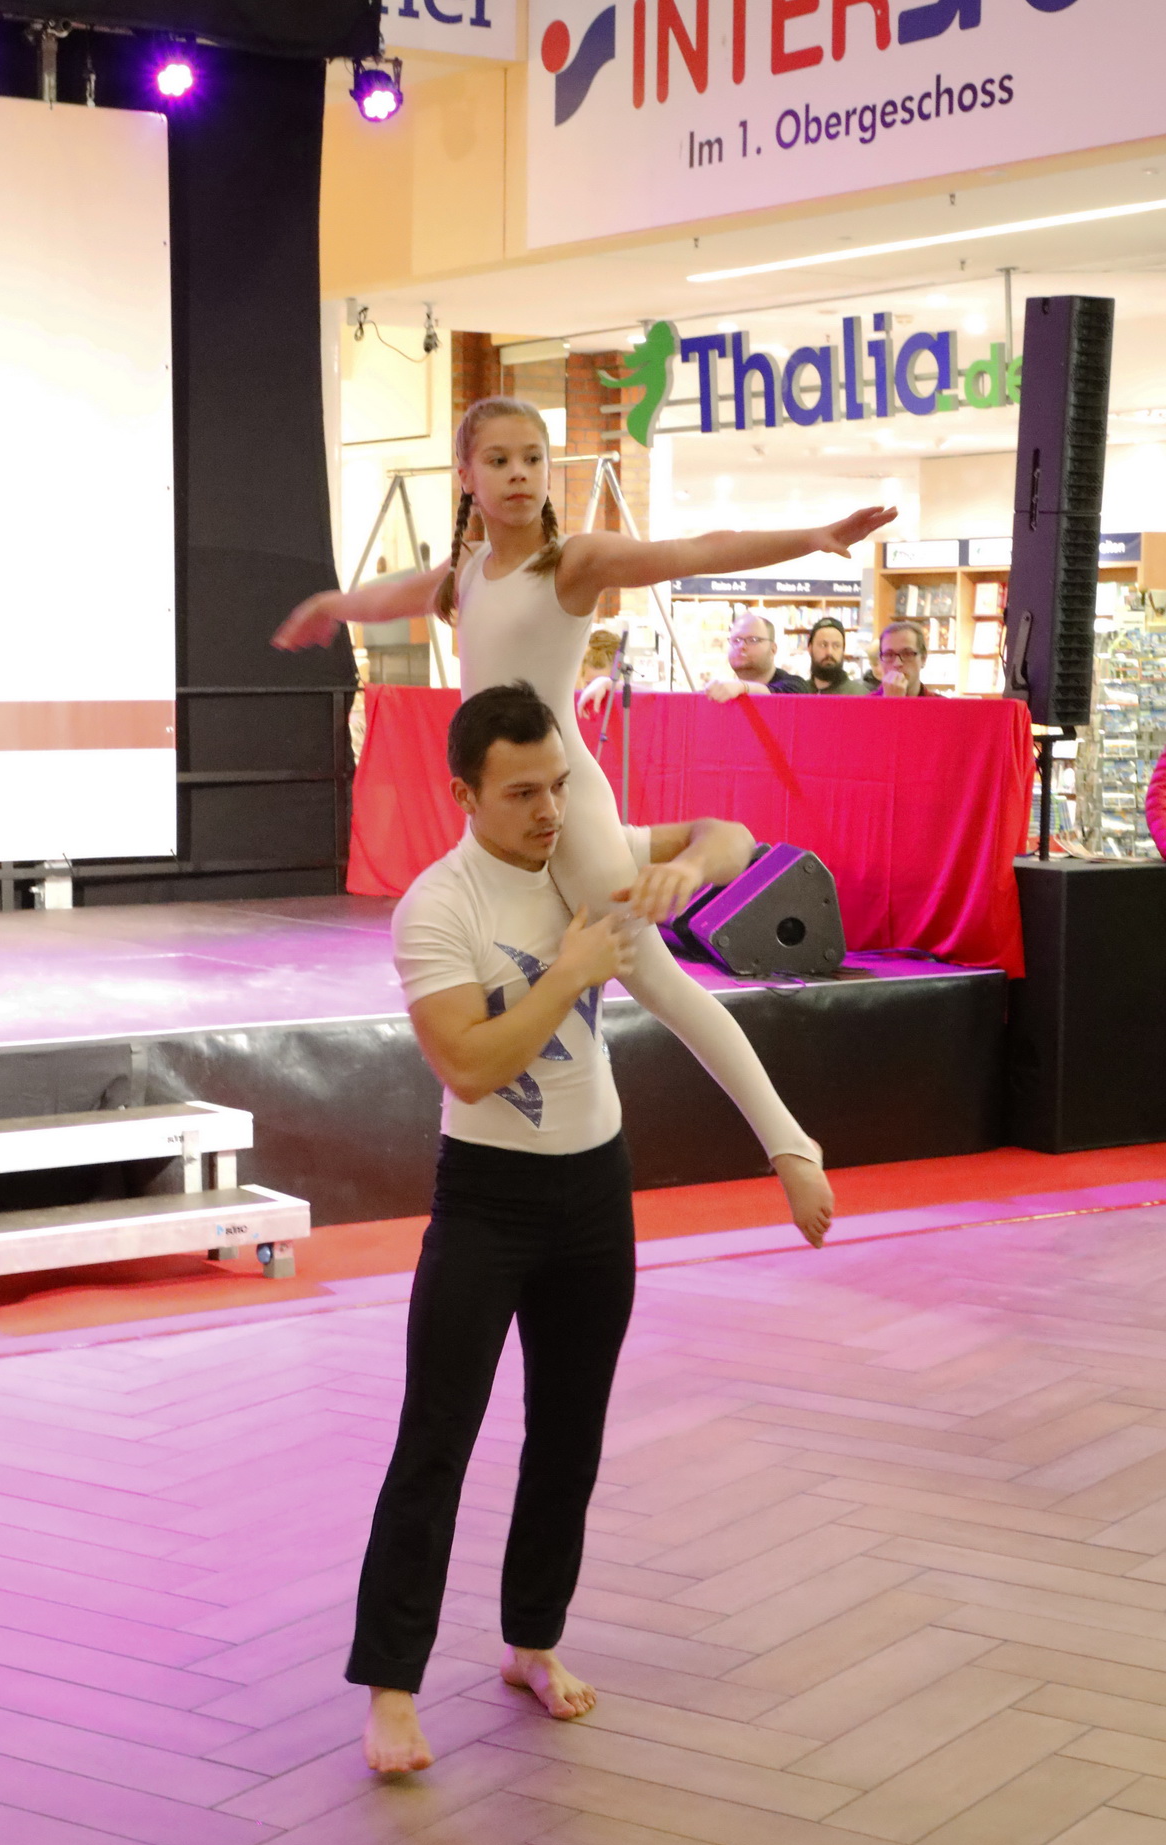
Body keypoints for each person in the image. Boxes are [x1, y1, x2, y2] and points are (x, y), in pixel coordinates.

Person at [274, 396, 895, 1241]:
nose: (519, 474)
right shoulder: (467, 571)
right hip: (498, 801)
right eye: (499, 460)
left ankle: (789, 1142)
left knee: (655, 979)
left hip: (564, 797)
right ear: (465, 475)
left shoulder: (573, 562)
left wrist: (812, 537)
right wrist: (333, 606)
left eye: (533, 458)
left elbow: (694, 549)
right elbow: (399, 593)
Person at [347, 682, 812, 1774]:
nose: (549, 811)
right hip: (487, 1201)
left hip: (595, 1193)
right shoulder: (437, 907)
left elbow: (731, 835)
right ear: (463, 795)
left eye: (558, 784)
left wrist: (688, 868)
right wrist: (566, 974)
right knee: (436, 1440)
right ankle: (391, 1690)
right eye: (521, 793)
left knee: (569, 1433)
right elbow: (470, 1064)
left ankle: (532, 1641)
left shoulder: (579, 858)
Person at [703, 611, 809, 701]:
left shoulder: (796, 686)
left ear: (773, 649)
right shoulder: (725, 694)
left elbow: (784, 697)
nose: (741, 646)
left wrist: (742, 687)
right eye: (736, 640)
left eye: (753, 640)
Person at [873, 620, 942, 698]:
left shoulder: (943, 704)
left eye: (907, 654)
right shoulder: (865, 704)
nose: (897, 663)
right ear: (880, 661)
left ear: (923, 658)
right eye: (889, 655)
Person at [805, 616, 868, 695]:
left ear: (843, 649)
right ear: (810, 648)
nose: (829, 652)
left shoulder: (860, 696)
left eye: (836, 646)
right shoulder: (799, 693)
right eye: (823, 645)